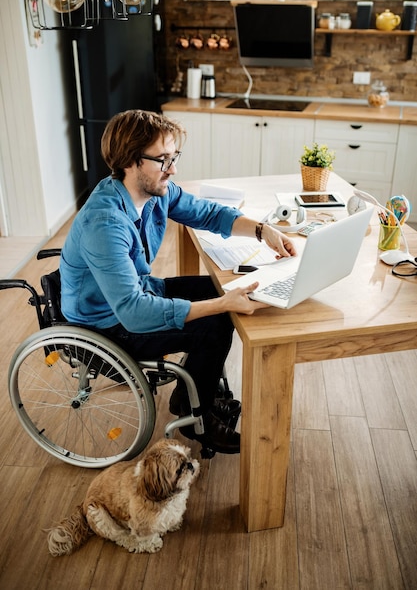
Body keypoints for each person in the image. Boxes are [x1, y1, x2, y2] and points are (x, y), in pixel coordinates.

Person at [60, 110, 297, 455]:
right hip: (107, 323)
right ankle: (197, 417)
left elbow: (209, 213)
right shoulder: (105, 223)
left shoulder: (156, 192)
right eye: (163, 160)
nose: (173, 169)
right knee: (215, 322)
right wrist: (222, 304)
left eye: (174, 157)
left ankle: (192, 396)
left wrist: (263, 230)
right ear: (130, 161)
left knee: (218, 296)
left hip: (136, 293)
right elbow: (134, 313)